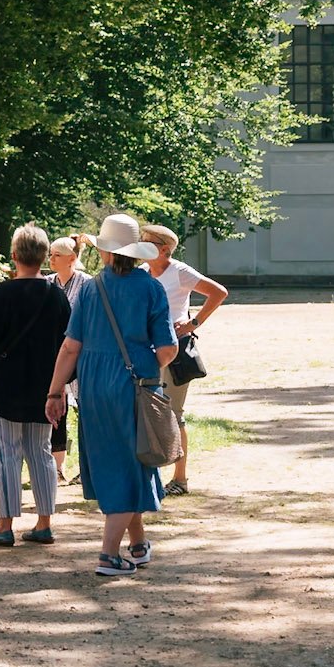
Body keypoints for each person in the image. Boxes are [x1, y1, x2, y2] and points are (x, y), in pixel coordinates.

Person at [45, 214, 177, 577]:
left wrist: (55, 392)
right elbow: (167, 349)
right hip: (133, 385)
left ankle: (137, 544)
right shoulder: (150, 288)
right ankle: (107, 554)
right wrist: (144, 363)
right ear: (135, 253)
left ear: (105, 252)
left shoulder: (90, 288)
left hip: (91, 384)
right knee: (130, 463)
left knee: (116, 462)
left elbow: (70, 346)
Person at [0, 225, 71, 546]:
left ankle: (4, 526)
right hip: (45, 387)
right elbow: (68, 343)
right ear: (44, 256)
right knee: (41, 452)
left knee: (8, 455)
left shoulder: (1, 294)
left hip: (3, 388)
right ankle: (44, 523)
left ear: (14, 256)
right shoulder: (56, 296)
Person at [141, 224, 230, 497]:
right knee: (147, 413)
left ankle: (180, 479)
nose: (142, 244)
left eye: (148, 241)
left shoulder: (179, 271)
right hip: (147, 352)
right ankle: (151, 477)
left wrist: (193, 323)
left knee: (173, 414)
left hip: (175, 351)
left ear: (164, 248)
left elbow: (219, 292)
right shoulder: (142, 274)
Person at [45, 236, 88, 478]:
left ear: (71, 259)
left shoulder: (87, 284)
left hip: (81, 355)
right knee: (57, 408)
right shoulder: (48, 284)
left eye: (56, 255)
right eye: (50, 254)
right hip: (56, 355)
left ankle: (86, 467)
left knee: (85, 409)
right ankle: (56, 468)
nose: (51, 260)